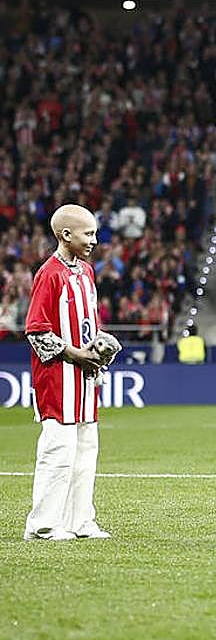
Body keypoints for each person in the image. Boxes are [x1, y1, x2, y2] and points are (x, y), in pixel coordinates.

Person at [23, 204, 114, 541]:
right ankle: (43, 525)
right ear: (65, 235)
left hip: (85, 379)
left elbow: (88, 321)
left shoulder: (86, 272)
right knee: (58, 451)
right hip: (58, 379)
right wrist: (76, 355)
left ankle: (80, 521)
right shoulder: (49, 274)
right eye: (87, 233)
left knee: (85, 451)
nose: (94, 239)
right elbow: (37, 331)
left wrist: (99, 346)